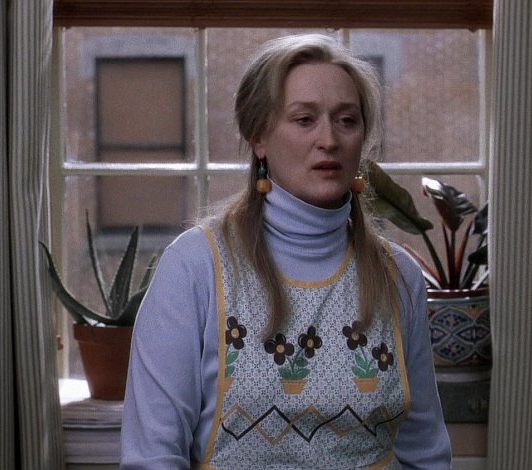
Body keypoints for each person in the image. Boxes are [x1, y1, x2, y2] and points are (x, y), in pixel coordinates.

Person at [120, 33, 452, 469]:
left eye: (347, 120)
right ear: (259, 136)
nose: (329, 139)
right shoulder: (194, 266)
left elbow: (426, 452)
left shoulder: (399, 275)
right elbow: (152, 457)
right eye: (304, 119)